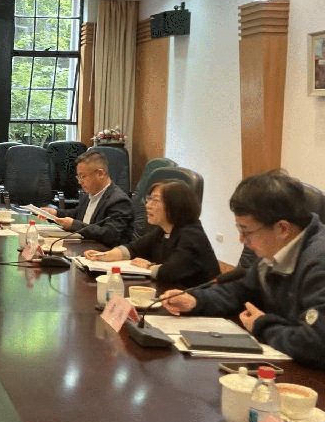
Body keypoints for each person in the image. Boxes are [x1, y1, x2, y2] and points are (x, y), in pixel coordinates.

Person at [161, 171, 325, 370]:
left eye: (246, 231)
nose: (242, 240)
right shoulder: (277, 250)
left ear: (282, 229)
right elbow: (239, 291)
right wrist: (196, 301)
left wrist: (262, 325)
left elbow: (316, 343)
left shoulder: (318, 261)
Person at [83, 180, 220, 288]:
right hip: (171, 292)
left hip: (199, 303)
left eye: (155, 200)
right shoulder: (163, 230)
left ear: (175, 204)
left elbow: (170, 272)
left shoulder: (192, 234)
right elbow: (133, 248)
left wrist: (149, 266)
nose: (147, 205)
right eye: (149, 199)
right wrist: (103, 256)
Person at [40, 150, 133, 247]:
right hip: (83, 245)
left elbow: (109, 234)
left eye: (83, 176)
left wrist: (74, 225)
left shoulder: (119, 201)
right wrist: (54, 213)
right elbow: (77, 214)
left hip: (102, 251)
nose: (80, 182)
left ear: (100, 174)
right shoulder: (89, 194)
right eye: (79, 177)